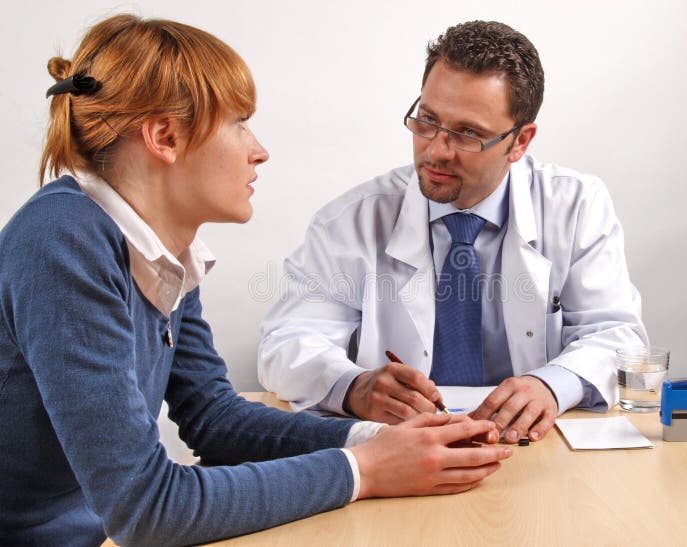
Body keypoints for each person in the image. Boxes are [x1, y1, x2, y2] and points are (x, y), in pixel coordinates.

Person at [0, 15, 513, 547]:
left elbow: (214, 419)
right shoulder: (62, 241)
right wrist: (366, 469)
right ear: (164, 137)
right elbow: (146, 507)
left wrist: (381, 438)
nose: (258, 149)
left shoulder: (162, 249)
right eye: (239, 123)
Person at [258, 20, 648, 443]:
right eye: (427, 121)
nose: (435, 151)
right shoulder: (351, 220)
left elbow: (617, 335)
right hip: (402, 448)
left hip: (533, 446)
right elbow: (286, 342)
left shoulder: (575, 205)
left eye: (467, 133)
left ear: (520, 141)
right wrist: (353, 386)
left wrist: (552, 384)